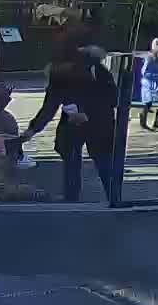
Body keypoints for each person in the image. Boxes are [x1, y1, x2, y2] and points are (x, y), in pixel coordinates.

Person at [21, 38, 118, 203]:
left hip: (98, 122)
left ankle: (114, 196)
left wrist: (88, 114)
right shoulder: (58, 76)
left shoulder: (95, 70)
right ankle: (72, 195)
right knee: (71, 157)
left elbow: (112, 97)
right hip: (73, 123)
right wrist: (33, 129)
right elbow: (50, 105)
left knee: (102, 159)